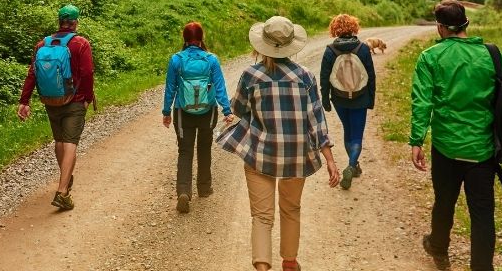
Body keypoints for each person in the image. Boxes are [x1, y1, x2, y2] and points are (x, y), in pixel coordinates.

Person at [218, 16, 341, 271]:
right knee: (291, 209)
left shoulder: (251, 76)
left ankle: (262, 267)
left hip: (260, 155)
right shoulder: (305, 77)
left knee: (262, 217)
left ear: (261, 44)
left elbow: (239, 109)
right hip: (296, 156)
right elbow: (317, 121)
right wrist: (330, 160)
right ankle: (289, 262)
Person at [409, 0, 502, 271]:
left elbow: (422, 102)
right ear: (466, 24)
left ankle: (439, 248)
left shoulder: (430, 57)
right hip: (482, 149)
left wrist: (417, 140)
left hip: (446, 145)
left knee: (444, 202)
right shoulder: (493, 56)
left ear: (440, 27)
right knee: (482, 213)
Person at [17, 4, 95, 211]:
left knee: (59, 141)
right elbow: (87, 73)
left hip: (50, 99)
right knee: (71, 143)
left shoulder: (43, 44)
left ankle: (65, 179)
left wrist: (24, 101)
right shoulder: (80, 43)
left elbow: (32, 73)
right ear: (76, 22)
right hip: (75, 99)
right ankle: (62, 192)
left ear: (59, 22)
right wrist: (87, 98)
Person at [161, 22, 234, 213]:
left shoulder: (176, 60)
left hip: (182, 112)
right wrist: (227, 110)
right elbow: (220, 87)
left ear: (184, 39)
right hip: (207, 112)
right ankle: (204, 188)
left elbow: (170, 88)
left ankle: (184, 191)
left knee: (185, 152)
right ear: (202, 38)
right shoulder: (211, 60)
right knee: (204, 148)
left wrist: (166, 112)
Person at [319, 14, 377, 190]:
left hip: (339, 97)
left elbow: (324, 78)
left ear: (335, 29)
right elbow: (371, 77)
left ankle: (354, 165)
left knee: (348, 130)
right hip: (360, 97)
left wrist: (325, 99)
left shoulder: (330, 50)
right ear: (354, 27)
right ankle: (352, 165)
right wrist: (371, 99)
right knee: (357, 135)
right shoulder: (364, 48)